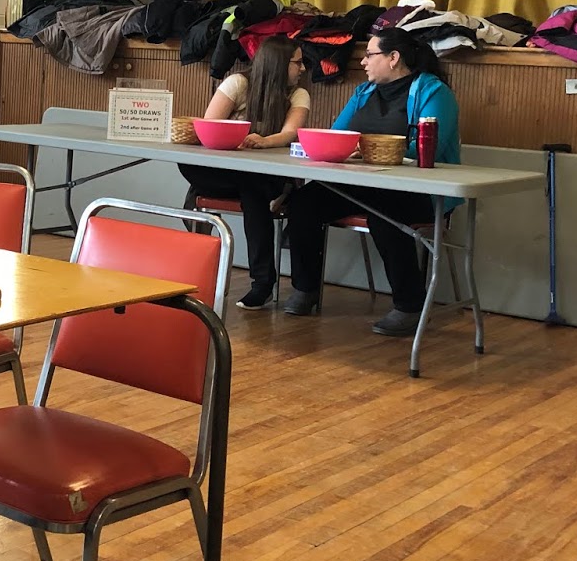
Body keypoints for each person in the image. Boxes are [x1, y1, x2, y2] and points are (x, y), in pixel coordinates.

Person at [281, 26, 462, 337]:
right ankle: (305, 288)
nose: (363, 62)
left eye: (369, 55)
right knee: (303, 202)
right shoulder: (363, 92)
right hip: (363, 183)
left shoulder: (433, 92)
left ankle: (409, 305)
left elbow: (425, 149)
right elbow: (337, 135)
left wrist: (361, 151)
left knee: (384, 215)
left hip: (419, 191)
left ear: (393, 58)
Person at [178, 36, 311, 310]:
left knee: (253, 191)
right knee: (187, 163)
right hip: (229, 172)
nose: (303, 69)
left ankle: (262, 284)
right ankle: (219, 278)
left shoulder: (298, 94)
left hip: (265, 176)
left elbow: (289, 134)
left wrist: (263, 141)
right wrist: (233, 138)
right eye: (297, 62)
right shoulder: (238, 83)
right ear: (279, 64)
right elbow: (209, 126)